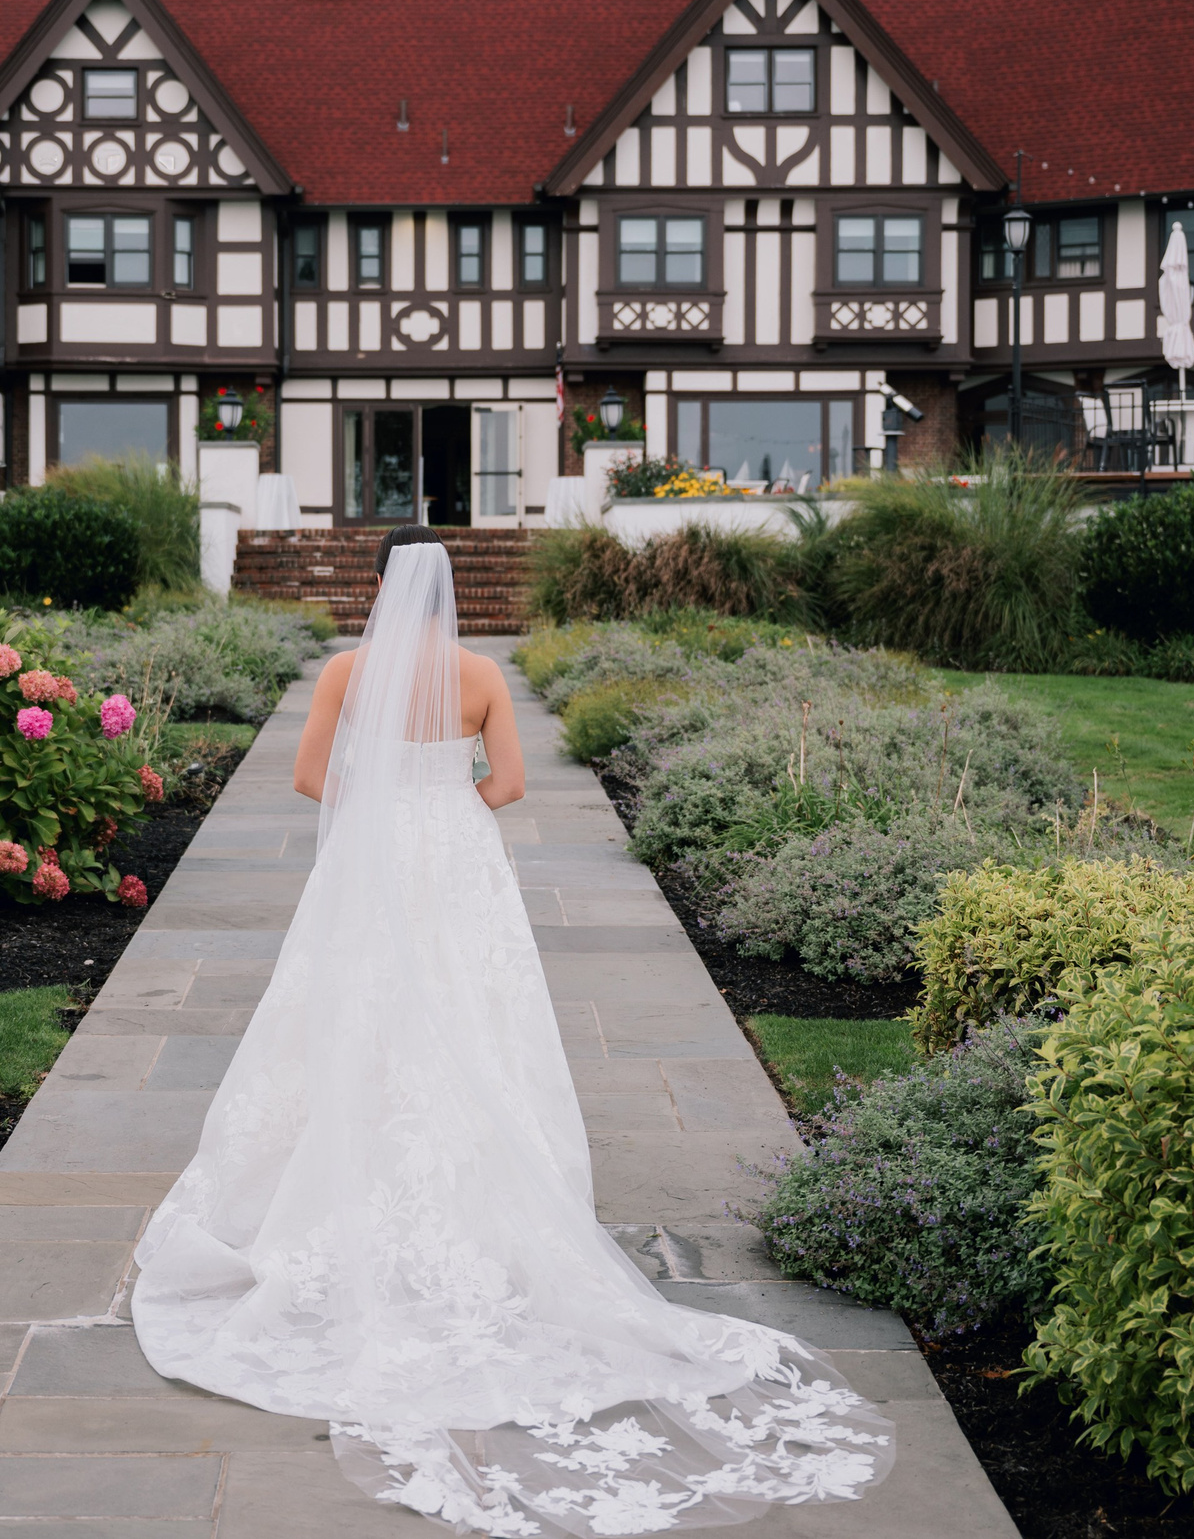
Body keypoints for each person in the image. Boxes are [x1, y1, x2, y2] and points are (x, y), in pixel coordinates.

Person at [130, 527, 891, 1536]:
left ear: (383, 591)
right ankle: (487, 1177)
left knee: (349, 1008)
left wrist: (384, 805)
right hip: (456, 858)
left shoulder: (348, 671)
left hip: (371, 858)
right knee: (473, 1010)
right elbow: (511, 785)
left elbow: (313, 780)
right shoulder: (481, 671)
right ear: (446, 599)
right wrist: (443, 802)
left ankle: (326, 1176)